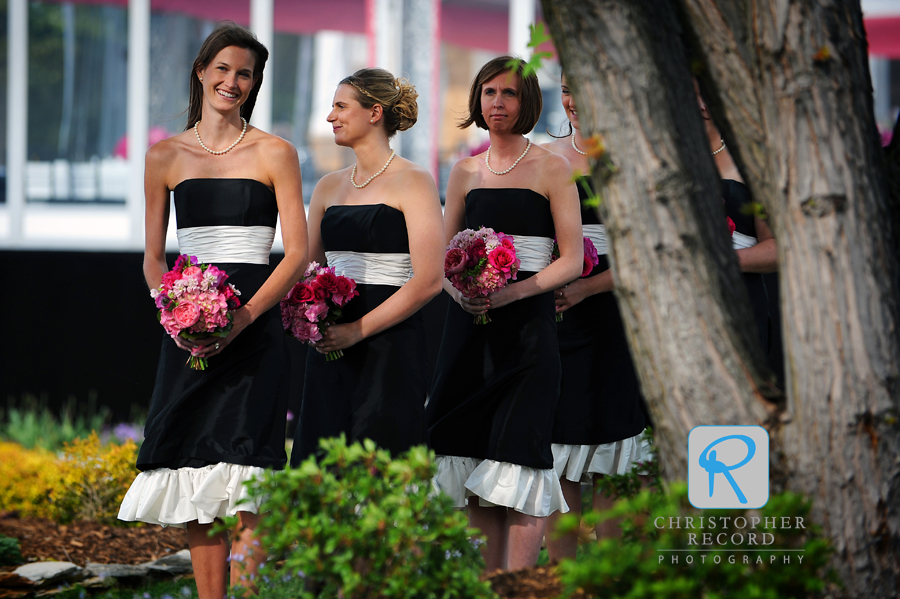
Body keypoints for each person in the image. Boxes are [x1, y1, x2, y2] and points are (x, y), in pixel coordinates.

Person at [117, 22, 308, 599]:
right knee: (194, 476)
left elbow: (297, 253)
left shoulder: (277, 152)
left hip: (255, 332)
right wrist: (178, 319)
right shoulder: (163, 156)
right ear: (201, 70)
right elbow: (154, 260)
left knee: (250, 481)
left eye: (244, 73)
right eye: (222, 68)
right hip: (190, 339)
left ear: (253, 84)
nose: (232, 81)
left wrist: (244, 319)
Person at [426, 56, 583, 572]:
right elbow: (443, 259)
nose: (497, 103)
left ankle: (517, 584)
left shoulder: (553, 169)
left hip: (529, 337)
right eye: (489, 92)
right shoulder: (464, 170)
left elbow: (574, 260)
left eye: (509, 94)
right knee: (469, 453)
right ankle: (486, 580)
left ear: (528, 102)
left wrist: (514, 295)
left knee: (520, 457)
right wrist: (462, 296)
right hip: (467, 337)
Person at [290, 68, 444, 465]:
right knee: (322, 464)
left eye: (340, 106)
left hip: (389, 348)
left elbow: (429, 280)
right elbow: (309, 270)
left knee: (383, 466)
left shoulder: (415, 180)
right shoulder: (327, 186)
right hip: (329, 348)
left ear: (374, 112)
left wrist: (355, 332)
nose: (330, 117)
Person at [541, 75, 651, 562]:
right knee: (558, 447)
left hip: (618, 315)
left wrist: (587, 286)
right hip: (558, 316)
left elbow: (649, 251)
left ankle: (612, 575)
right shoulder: (545, 157)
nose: (573, 99)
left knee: (614, 446)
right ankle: (564, 580)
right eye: (566, 87)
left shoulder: (632, 159)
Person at [696, 82, 778, 352]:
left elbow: (776, 248)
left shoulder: (753, 162)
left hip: (740, 298)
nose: (703, 105)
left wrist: (720, 261)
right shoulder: (661, 159)